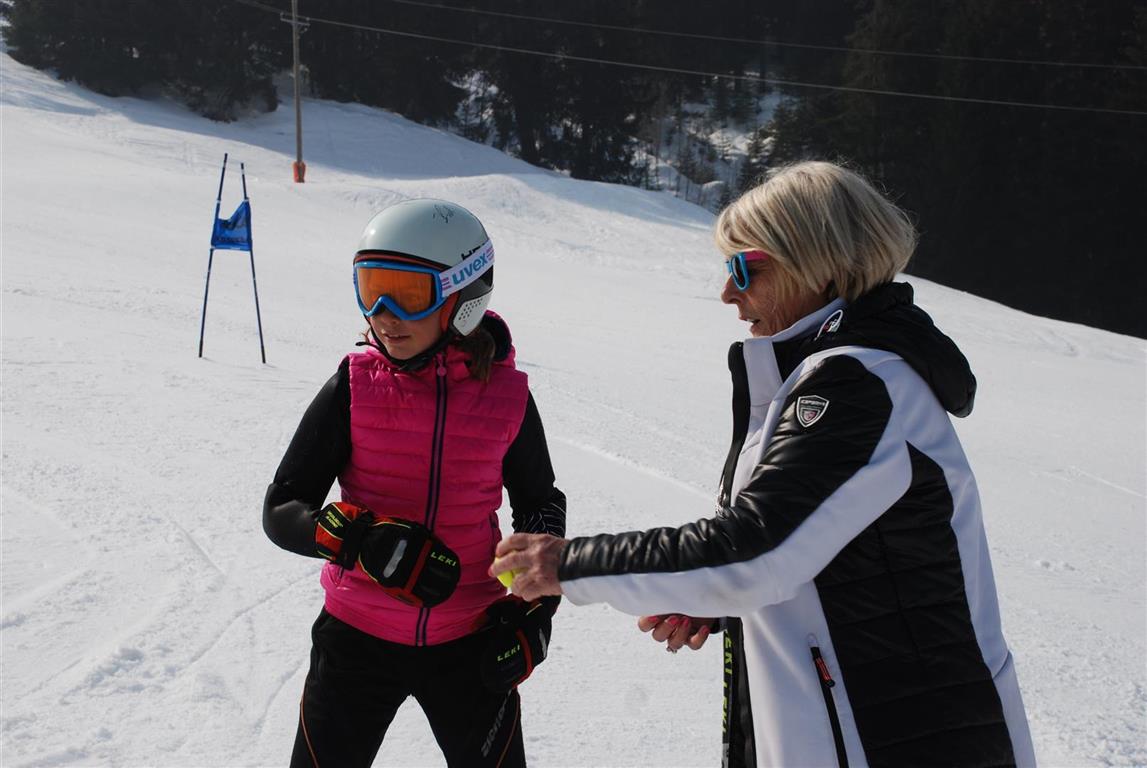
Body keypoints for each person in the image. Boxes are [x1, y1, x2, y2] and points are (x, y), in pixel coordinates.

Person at [493, 162, 1036, 768]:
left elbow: (756, 548)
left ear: (817, 262)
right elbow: (815, 552)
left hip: (905, 741)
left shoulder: (857, 384)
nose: (728, 293)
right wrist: (720, 597)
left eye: (744, 269)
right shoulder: (834, 376)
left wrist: (568, 563)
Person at [263, 198, 565, 768]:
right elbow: (283, 507)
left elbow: (539, 506)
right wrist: (357, 540)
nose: (384, 314)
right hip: (355, 640)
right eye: (371, 288)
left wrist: (535, 611)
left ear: (464, 297)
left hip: (469, 642)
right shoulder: (354, 386)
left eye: (407, 293)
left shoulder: (507, 398)